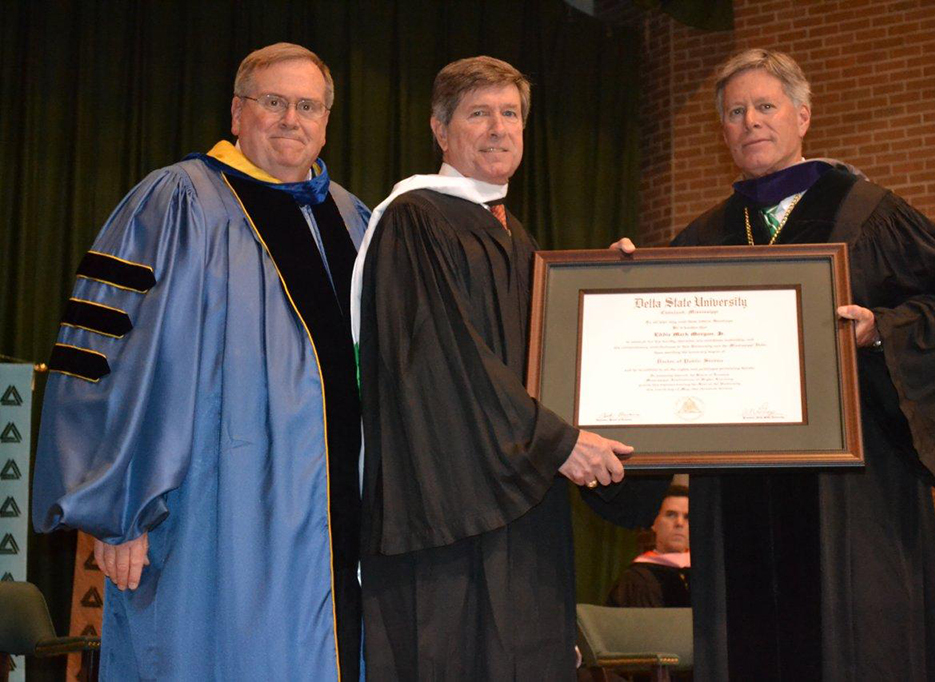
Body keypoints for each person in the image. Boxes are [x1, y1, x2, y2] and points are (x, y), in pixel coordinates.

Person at [616, 48, 935, 681]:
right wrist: (625, 289)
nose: (751, 122)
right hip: (737, 490)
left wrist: (885, 331)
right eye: (736, 112)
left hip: (854, 489)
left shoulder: (869, 214)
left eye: (766, 106)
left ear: (803, 115)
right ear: (722, 131)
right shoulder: (701, 239)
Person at [31, 43, 369, 680]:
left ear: (327, 120)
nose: (290, 119)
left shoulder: (352, 217)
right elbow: (102, 351)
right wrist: (114, 510)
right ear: (238, 112)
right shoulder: (177, 201)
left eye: (307, 105)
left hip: (335, 524)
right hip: (211, 516)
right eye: (273, 102)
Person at [352, 55, 666, 680]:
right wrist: (556, 442)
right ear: (441, 131)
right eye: (478, 114)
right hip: (449, 528)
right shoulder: (417, 220)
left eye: (510, 114)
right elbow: (448, 364)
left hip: (518, 520)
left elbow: (541, 355)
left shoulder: (514, 235)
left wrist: (602, 297)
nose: (498, 128)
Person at [606, 485, 691, 608]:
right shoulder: (637, 579)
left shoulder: (703, 576)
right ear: (654, 522)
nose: (679, 523)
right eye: (671, 515)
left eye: (687, 517)